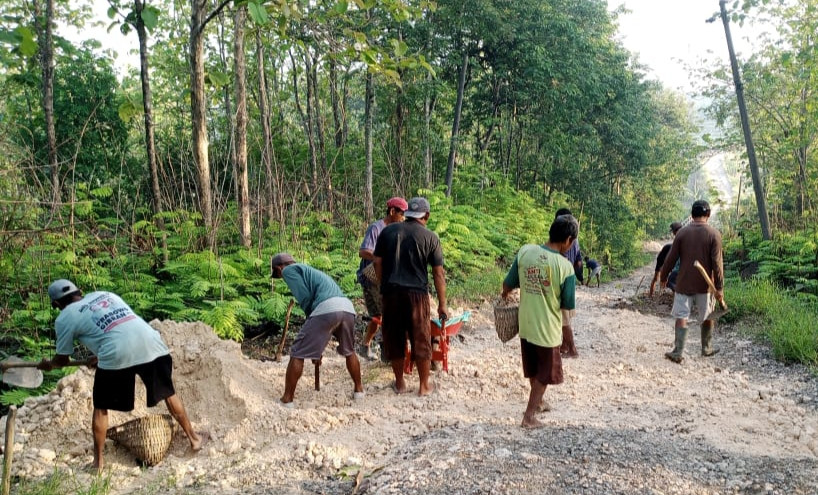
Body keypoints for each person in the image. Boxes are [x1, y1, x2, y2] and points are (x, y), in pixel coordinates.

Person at [37, 280, 204, 472]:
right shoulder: (106, 294)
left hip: (116, 352)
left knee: (101, 408)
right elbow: (119, 329)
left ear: (56, 305)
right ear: (80, 292)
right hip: (151, 343)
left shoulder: (65, 317)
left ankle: (98, 464)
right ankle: (194, 438)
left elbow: (62, 360)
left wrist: (48, 365)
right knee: (169, 393)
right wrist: (101, 354)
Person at [501, 214, 578, 428]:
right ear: (568, 240)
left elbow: (508, 284)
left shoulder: (526, 252)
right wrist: (569, 340)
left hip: (525, 323)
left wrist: (505, 295)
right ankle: (529, 417)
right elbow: (567, 308)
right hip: (547, 329)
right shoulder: (565, 267)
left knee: (533, 367)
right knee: (545, 373)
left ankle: (539, 402)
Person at [373, 196, 447, 396]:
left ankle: (400, 383)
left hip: (391, 293)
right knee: (420, 337)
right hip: (416, 295)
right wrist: (442, 304)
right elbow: (438, 273)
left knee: (394, 338)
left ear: (407, 214)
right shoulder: (431, 237)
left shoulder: (387, 231)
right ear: (426, 215)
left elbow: (377, 262)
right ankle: (423, 386)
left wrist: (383, 285)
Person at [271, 253, 364, 406]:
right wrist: (317, 346)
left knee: (297, 352)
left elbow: (305, 297)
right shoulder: (310, 271)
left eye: (278, 274)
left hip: (327, 308)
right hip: (347, 308)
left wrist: (310, 321)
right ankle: (359, 390)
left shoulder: (289, 270)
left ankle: (287, 399)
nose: (282, 278)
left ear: (279, 268)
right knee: (349, 350)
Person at [659, 200, 725, 363]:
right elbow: (717, 264)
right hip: (705, 286)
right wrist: (719, 287)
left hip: (683, 284)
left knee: (682, 315)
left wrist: (663, 276)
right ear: (708, 215)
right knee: (707, 315)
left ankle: (678, 351)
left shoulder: (682, 233)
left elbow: (671, 258)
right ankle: (706, 348)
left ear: (692, 214)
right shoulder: (714, 234)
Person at [356, 197, 408, 360]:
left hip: (386, 277)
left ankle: (367, 345)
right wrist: (381, 258)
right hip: (371, 278)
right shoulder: (376, 228)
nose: (403, 217)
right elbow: (364, 251)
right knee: (379, 314)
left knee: (384, 313)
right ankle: (376, 346)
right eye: (401, 214)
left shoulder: (398, 230)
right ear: (392, 212)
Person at [554, 208, 580, 357]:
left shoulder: (561, 238)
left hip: (562, 277)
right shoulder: (575, 240)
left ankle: (572, 348)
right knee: (565, 315)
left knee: (563, 316)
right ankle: (565, 345)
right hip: (569, 277)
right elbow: (579, 260)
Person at [649, 221, 683, 297]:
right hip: (664, 258)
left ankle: (675, 294)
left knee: (671, 279)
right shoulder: (669, 247)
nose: (674, 234)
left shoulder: (680, 241)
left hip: (675, 263)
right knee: (656, 277)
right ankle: (651, 294)